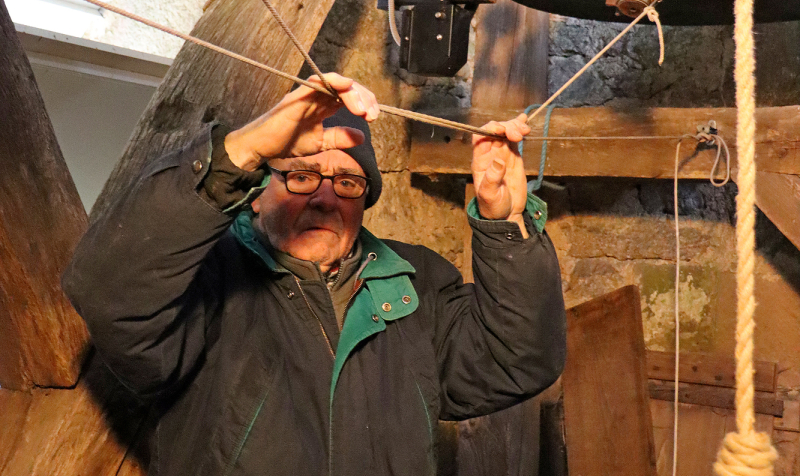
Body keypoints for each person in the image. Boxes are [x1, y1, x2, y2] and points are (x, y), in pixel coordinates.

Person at [63, 73, 566, 476]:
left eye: (347, 182)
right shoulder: (205, 275)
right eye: (302, 175)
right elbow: (109, 291)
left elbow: (516, 360)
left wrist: (506, 224)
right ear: (256, 191)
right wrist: (240, 152)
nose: (325, 197)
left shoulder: (415, 284)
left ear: (363, 203)